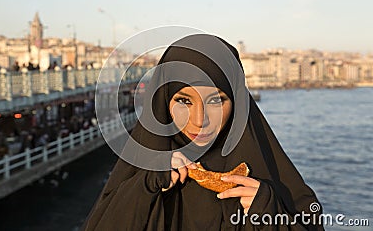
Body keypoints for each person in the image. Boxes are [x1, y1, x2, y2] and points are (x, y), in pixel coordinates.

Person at [83, 34, 324, 230]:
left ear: (238, 103)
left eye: (216, 101)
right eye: (185, 101)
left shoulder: (265, 181)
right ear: (164, 101)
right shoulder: (145, 176)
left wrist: (267, 212)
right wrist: (145, 188)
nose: (200, 120)